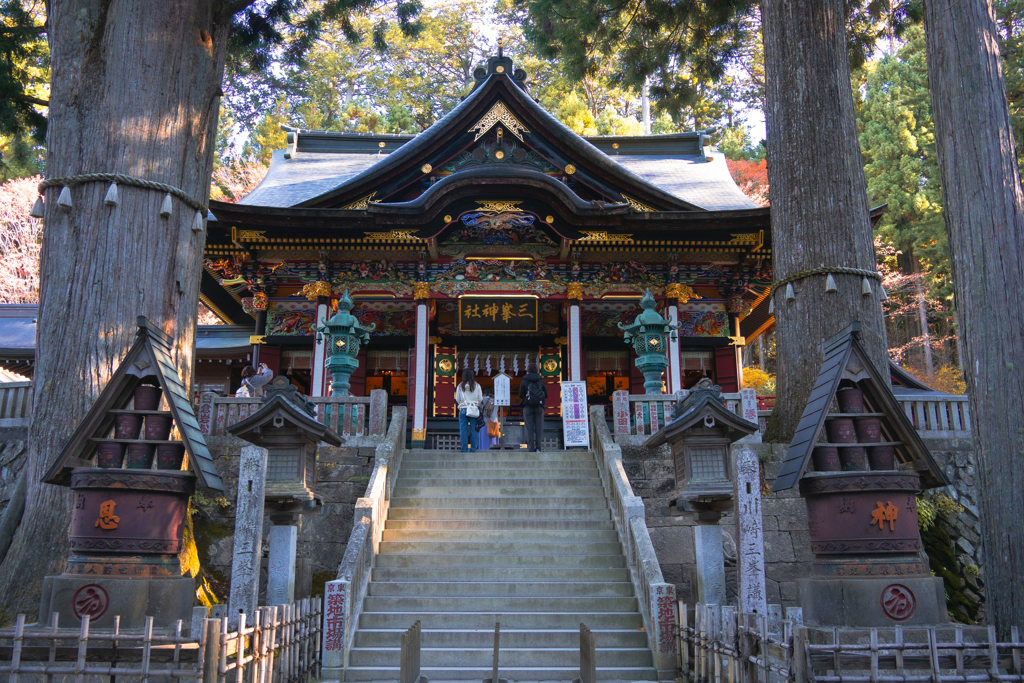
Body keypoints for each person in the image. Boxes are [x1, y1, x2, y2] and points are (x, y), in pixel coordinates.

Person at [518, 361, 547, 452]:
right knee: (539, 428)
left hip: (528, 407)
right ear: (537, 370)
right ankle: (538, 448)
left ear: (528, 370)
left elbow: (520, 394)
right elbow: (546, 394)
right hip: (539, 407)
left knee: (529, 428)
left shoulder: (524, 380)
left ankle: (530, 448)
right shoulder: (540, 380)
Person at [455, 368, 482, 453]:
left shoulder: (460, 386)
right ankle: (473, 450)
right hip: (473, 410)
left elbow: (457, 399)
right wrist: (474, 403)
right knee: (474, 430)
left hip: (463, 409)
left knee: (463, 430)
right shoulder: (477, 386)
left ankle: (464, 450)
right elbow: (480, 399)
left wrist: (463, 404)